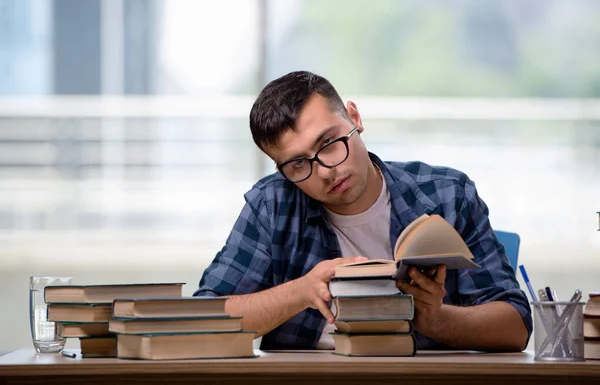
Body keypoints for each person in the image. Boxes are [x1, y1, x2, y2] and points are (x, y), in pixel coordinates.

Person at [195, 71, 532, 351]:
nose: (325, 170)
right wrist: (301, 292)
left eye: (328, 143)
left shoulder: (447, 195)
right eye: (298, 163)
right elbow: (204, 321)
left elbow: (515, 327)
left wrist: (436, 318)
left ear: (354, 118)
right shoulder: (272, 205)